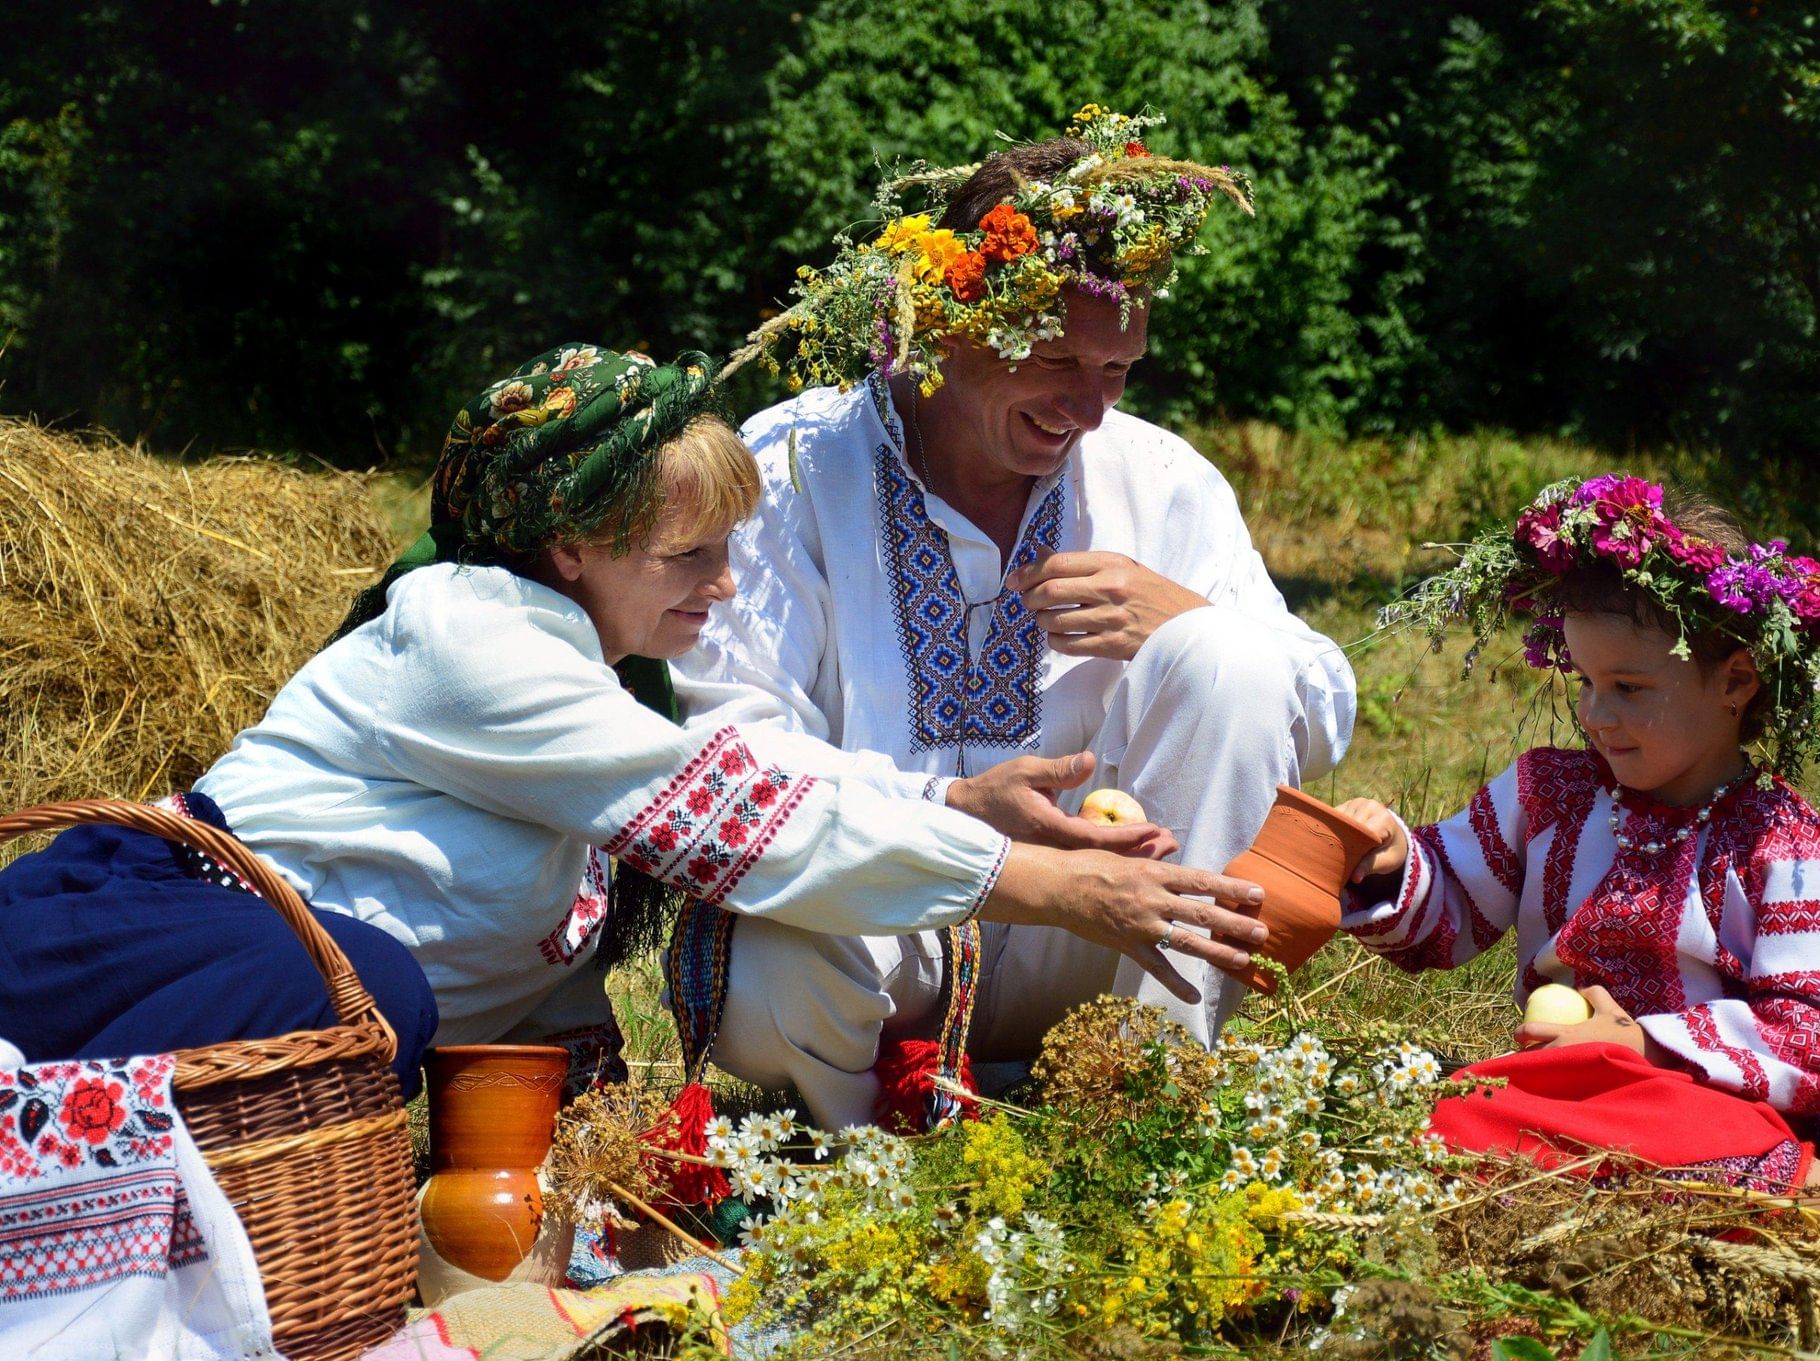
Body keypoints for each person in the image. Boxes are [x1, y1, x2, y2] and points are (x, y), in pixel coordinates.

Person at [0, 344, 1270, 1104]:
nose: (724, 586)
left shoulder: (599, 674)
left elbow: (534, 951)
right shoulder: (471, 635)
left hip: (306, 994)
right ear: (569, 542)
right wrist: (1047, 885)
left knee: (376, 990)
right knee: (365, 983)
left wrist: (948, 803)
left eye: (729, 549)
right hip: (140, 938)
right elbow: (726, 818)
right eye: (689, 555)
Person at [679, 107, 1356, 1127]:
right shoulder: (787, 471)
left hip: (1107, 931)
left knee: (1229, 653)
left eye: (1116, 372)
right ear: (948, 325)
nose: (1088, 410)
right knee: (775, 956)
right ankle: (863, 1154)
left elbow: (1319, 706)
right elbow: (721, 750)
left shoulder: (1158, 480)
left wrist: (1178, 620)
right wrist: (942, 813)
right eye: (1055, 361)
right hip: (879, 923)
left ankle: (1139, 1109)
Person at [1336, 474, 1820, 1274]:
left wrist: (1645, 1043)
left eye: (1630, 688)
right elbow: (1452, 907)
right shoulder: (1548, 795)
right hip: (1569, 1093)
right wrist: (1393, 863)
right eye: (1586, 684)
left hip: (1733, 1108)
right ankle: (1666, 1211)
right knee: (1458, 1110)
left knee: (1679, 1131)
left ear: (1736, 682)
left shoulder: (1780, 840)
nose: (1597, 715)